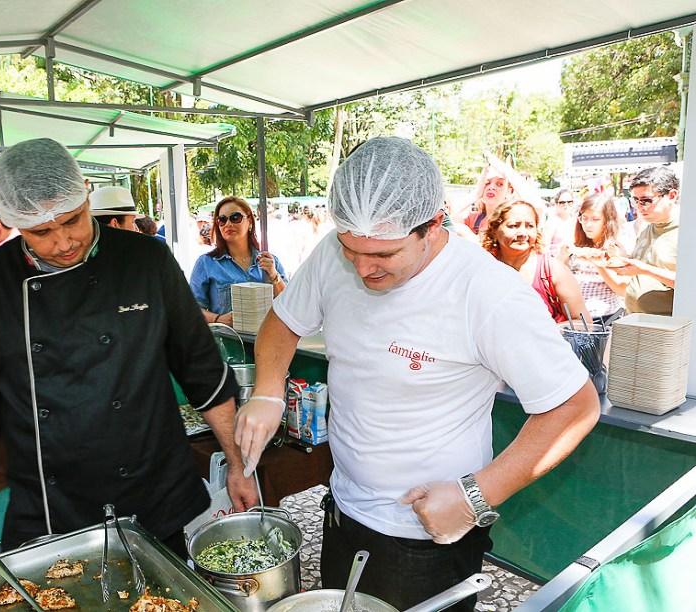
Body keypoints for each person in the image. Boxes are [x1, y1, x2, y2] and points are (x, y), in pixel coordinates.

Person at [233, 138, 599, 611]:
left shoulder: (488, 293)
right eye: (351, 251)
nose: (364, 270)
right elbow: (283, 321)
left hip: (426, 534)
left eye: (384, 257)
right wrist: (267, 392)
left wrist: (475, 496)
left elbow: (575, 406)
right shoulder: (335, 253)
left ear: (431, 225)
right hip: (343, 508)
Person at [0, 138, 257, 553]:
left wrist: (238, 466)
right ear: (12, 223)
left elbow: (201, 368)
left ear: (85, 190)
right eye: (41, 232)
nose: (63, 242)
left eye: (73, 220)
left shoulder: (145, 260)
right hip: (51, 503)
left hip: (152, 488)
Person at [482, 201, 589, 324]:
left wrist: (542, 333)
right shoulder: (483, 267)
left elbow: (583, 322)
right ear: (494, 230)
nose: (522, 233)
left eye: (529, 226)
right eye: (513, 226)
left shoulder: (553, 270)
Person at [190, 196, 287, 326]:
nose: (228, 224)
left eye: (235, 218)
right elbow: (192, 309)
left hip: (267, 340)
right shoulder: (207, 263)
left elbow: (287, 303)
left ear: (250, 222)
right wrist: (218, 318)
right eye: (222, 220)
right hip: (228, 342)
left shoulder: (269, 261)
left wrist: (274, 275)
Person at [612, 166, 679, 315]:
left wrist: (644, 269)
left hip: (664, 327)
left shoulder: (686, 233)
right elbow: (643, 266)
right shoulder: (647, 225)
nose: (639, 207)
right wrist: (623, 258)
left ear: (672, 195)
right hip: (634, 320)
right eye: (635, 200)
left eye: (646, 200)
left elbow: (688, 283)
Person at [559, 193, 632, 324]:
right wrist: (561, 259)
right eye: (584, 218)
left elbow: (622, 289)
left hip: (604, 318)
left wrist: (599, 264)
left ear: (607, 221)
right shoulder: (573, 245)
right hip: (573, 317)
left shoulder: (615, 248)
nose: (588, 224)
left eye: (595, 219)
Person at [544, 188, 577, 256]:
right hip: (556, 261)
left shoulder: (575, 220)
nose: (566, 204)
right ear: (556, 204)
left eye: (569, 202)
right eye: (562, 202)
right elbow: (545, 247)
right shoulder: (552, 222)